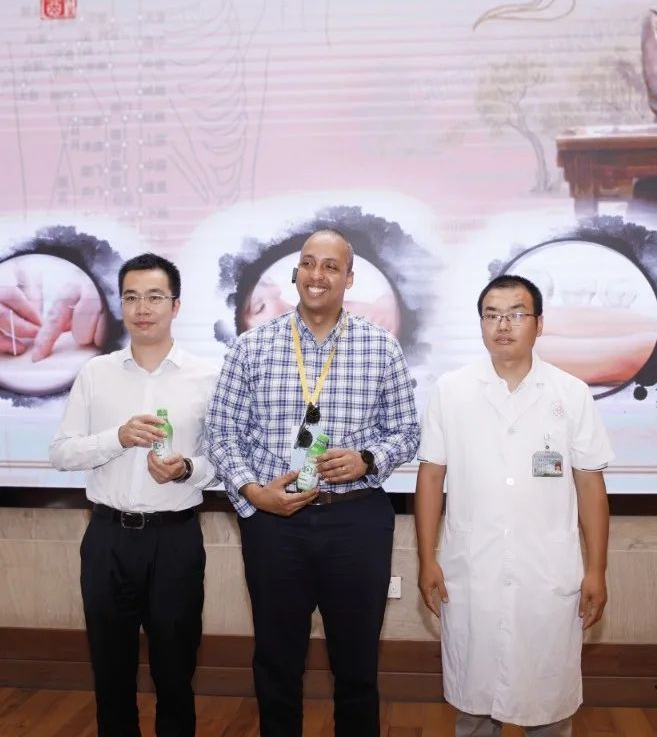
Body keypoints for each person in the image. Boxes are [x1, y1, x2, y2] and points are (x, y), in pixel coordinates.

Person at [205, 228, 420, 737]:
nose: (317, 275)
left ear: (350, 278)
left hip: (355, 521)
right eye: (308, 263)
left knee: (357, 664)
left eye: (330, 266)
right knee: (277, 660)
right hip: (275, 521)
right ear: (295, 272)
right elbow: (221, 432)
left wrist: (368, 459)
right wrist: (253, 493)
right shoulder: (252, 346)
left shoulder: (380, 347)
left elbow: (408, 432)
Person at [415, 274, 613, 737]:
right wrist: (427, 559)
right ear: (481, 324)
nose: (503, 325)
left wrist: (597, 569)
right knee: (473, 706)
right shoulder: (451, 390)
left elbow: (590, 486)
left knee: (547, 707)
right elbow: (431, 476)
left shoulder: (570, 393)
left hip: (547, 572)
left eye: (516, 314)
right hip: (473, 568)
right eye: (492, 315)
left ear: (539, 324)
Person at [49, 252, 218, 737]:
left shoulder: (208, 377)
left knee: (175, 674)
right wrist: (117, 438)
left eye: (155, 297)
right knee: (111, 675)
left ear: (176, 305)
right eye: (132, 297)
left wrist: (186, 468)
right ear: (121, 305)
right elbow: (61, 453)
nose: (143, 308)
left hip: (174, 541)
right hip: (108, 539)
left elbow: (223, 464)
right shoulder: (95, 373)